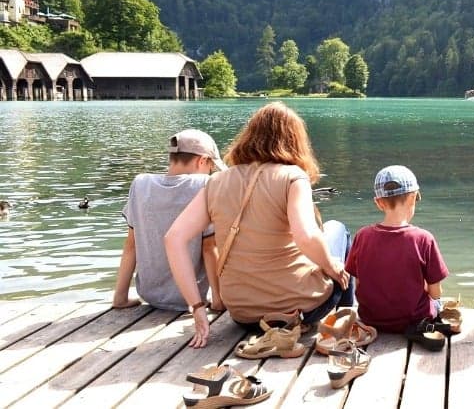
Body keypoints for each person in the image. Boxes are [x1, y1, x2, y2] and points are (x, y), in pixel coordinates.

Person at [165, 102, 351, 348]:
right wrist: (332, 267)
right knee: (337, 230)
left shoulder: (216, 181)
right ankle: (349, 315)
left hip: (243, 314)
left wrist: (198, 306)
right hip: (299, 309)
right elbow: (306, 236)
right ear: (295, 140)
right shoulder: (293, 177)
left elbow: (173, 238)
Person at [112, 129, 226, 312]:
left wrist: (120, 298)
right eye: (211, 167)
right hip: (191, 299)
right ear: (202, 161)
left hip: (149, 296)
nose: (210, 172)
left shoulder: (141, 184)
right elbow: (209, 248)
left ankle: (119, 296)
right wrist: (218, 301)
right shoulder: (204, 185)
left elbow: (131, 246)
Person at [345, 165, 449, 334]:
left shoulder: (362, 236)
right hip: (413, 319)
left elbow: (358, 283)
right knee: (437, 302)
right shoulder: (423, 238)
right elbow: (435, 290)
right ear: (413, 198)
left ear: (378, 203)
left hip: (371, 319)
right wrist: (435, 302)